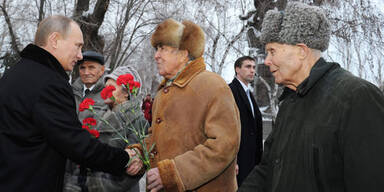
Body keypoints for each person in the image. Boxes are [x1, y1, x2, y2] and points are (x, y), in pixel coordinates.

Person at [239, 2, 384, 192]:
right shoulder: (289, 103)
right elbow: (267, 170)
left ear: (301, 51)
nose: (266, 61)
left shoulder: (357, 97)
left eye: (272, 51)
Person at [0, 15, 141, 192]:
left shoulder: (13, 74)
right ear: (55, 40)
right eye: (78, 46)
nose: (80, 55)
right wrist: (124, 158)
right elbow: (77, 144)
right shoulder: (49, 83)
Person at [129, 18, 241, 192]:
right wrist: (139, 153)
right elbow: (158, 139)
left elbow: (224, 145)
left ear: (183, 53)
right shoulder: (164, 92)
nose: (156, 55)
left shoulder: (212, 85)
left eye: (162, 49)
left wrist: (173, 173)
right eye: (156, 49)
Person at [65, 65, 146, 192]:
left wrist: (95, 186)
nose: (104, 91)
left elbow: (132, 169)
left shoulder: (138, 122)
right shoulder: (100, 115)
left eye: (110, 88)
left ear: (126, 93)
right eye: (105, 87)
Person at [228, 56, 263, 187]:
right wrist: (232, 161)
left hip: (252, 160)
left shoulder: (249, 94)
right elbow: (227, 129)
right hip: (239, 162)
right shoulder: (230, 91)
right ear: (237, 69)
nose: (252, 70)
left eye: (254, 67)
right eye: (248, 67)